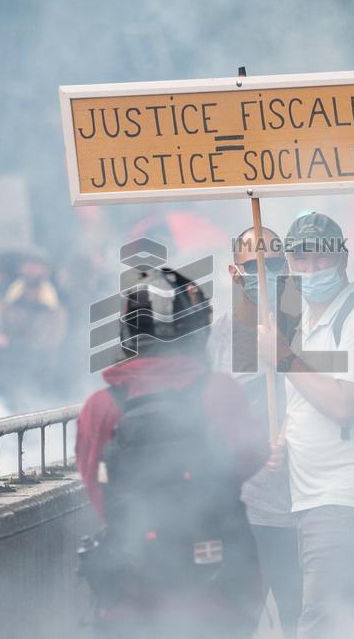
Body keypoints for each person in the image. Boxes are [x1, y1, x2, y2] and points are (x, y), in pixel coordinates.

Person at [75, 266, 269, 639]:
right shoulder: (219, 392)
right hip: (215, 588)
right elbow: (252, 456)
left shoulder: (100, 407)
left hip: (131, 591)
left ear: (128, 331)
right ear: (197, 330)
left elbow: (96, 487)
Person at [258, 212, 354, 639]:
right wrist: (281, 440)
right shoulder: (295, 317)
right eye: (301, 259)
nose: (312, 268)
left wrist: (282, 357)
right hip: (312, 495)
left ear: (342, 258)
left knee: (321, 623)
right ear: (289, 264)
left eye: (321, 258)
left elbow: (343, 405)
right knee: (351, 616)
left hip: (348, 497)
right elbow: (303, 403)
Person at [208, 225, 301, 638]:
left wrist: (291, 438)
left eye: (275, 265)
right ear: (234, 272)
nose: (265, 276)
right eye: (253, 267)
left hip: (298, 511)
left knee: (301, 621)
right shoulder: (215, 339)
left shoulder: (306, 330)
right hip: (239, 512)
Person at [0, 253, 67, 409]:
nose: (32, 270)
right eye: (28, 264)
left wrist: (7, 342)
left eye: (37, 265)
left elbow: (46, 346)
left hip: (41, 381)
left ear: (46, 271)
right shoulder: (4, 303)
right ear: (21, 269)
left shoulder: (56, 310)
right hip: (5, 379)